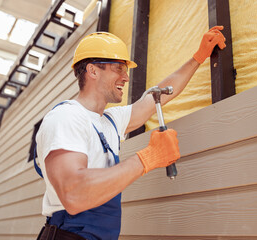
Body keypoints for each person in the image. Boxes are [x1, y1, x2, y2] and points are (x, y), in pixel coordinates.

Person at [35, 26, 226, 240]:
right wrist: (148, 158)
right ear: (93, 71)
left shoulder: (110, 121)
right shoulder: (66, 117)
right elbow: (74, 194)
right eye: (118, 68)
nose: (126, 78)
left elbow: (157, 96)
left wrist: (198, 57)